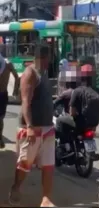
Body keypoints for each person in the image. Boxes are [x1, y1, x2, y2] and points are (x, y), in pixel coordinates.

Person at [9, 43, 55, 207]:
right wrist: (29, 126)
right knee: (25, 164)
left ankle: (46, 199)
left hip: (47, 128)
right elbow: (25, 102)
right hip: (31, 128)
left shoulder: (45, 74)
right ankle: (16, 187)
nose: (48, 61)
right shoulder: (30, 74)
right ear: (42, 57)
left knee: (48, 165)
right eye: (47, 57)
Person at [69, 64, 99, 131]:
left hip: (80, 125)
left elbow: (71, 112)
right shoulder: (98, 91)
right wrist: (96, 123)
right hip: (93, 126)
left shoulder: (77, 91)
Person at [0, 53, 19, 148]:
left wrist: (16, 89)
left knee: (0, 118)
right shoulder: (7, 64)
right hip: (3, 94)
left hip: (2, 95)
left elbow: (16, 76)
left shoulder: (8, 64)